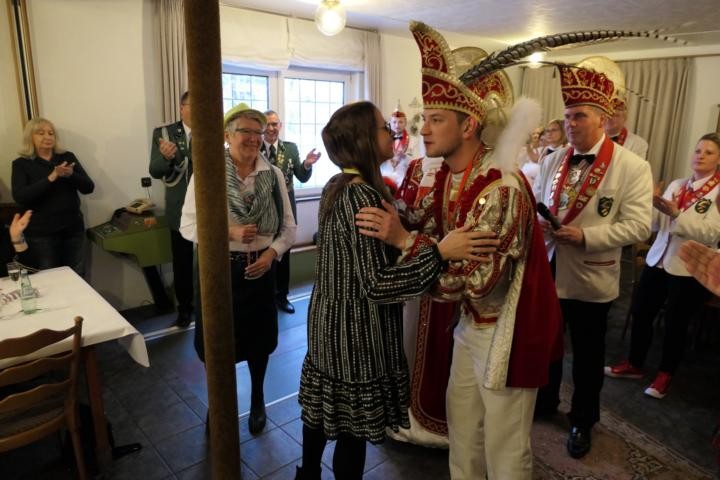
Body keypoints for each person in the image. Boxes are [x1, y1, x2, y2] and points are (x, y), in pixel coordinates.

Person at [357, 22, 564, 479]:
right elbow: (430, 229)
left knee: (506, 450)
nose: (423, 129)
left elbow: (472, 281)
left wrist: (405, 242)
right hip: (469, 325)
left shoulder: (501, 187)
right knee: (464, 433)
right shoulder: (451, 177)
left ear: (469, 125)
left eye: (437, 119)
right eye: (425, 118)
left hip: (506, 331)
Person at [295, 101, 490, 480]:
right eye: (384, 128)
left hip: (329, 321)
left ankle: (307, 475)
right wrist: (439, 252)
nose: (393, 133)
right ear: (365, 140)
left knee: (321, 409)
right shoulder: (362, 197)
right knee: (351, 430)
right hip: (354, 333)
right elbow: (377, 285)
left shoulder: (339, 184)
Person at [533, 60, 653, 459]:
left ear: (602, 118)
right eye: (567, 116)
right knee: (548, 343)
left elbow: (639, 226)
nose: (570, 124)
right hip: (550, 267)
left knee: (587, 355)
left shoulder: (632, 166)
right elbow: (540, 204)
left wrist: (586, 236)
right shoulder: (552, 159)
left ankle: (583, 420)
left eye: (579, 116)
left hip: (591, 273)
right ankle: (545, 400)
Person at [180, 103, 296, 435]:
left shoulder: (273, 175)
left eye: (259, 132)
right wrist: (228, 232)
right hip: (218, 273)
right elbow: (187, 226)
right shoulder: (208, 173)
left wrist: (271, 254)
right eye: (246, 131)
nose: (254, 138)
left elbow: (288, 228)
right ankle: (219, 404)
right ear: (227, 135)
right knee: (216, 343)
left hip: (261, 271)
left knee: (259, 341)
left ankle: (258, 398)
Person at [605, 132, 720, 398]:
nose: (700, 156)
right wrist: (653, 204)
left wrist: (676, 213)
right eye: (698, 150)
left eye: (708, 152)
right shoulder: (678, 185)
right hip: (658, 259)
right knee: (641, 312)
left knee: (675, 323)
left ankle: (665, 374)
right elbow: (656, 226)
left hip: (687, 266)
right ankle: (635, 363)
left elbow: (712, 233)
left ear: (718, 160)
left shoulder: (717, 192)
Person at [11, 118, 95, 276]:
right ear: (30, 137)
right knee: (48, 279)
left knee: (77, 276)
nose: (47, 137)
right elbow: (21, 197)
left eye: (51, 133)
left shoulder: (67, 157)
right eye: (41, 133)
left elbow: (89, 188)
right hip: (41, 234)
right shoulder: (21, 164)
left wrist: (71, 175)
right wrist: (51, 177)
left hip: (72, 229)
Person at [261, 110, 321, 315]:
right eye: (267, 124)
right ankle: (266, 297)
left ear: (280, 126)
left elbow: (301, 177)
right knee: (265, 252)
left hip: (286, 209)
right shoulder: (255, 147)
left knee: (284, 254)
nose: (271, 128)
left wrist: (306, 165)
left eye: (274, 124)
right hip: (262, 211)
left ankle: (282, 297)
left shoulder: (290, 148)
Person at [149, 91, 195, 327]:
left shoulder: (212, 130)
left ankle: (209, 303)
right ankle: (184, 308)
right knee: (182, 263)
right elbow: (154, 170)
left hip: (208, 209)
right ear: (181, 108)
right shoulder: (165, 133)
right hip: (180, 209)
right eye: (192, 104)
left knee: (210, 261)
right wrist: (166, 158)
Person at [380, 104, 420, 190]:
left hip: (404, 179)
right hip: (385, 179)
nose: (397, 125)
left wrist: (405, 157)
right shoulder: (383, 140)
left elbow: (418, 161)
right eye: (394, 122)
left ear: (405, 123)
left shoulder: (414, 141)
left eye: (400, 122)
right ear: (390, 123)